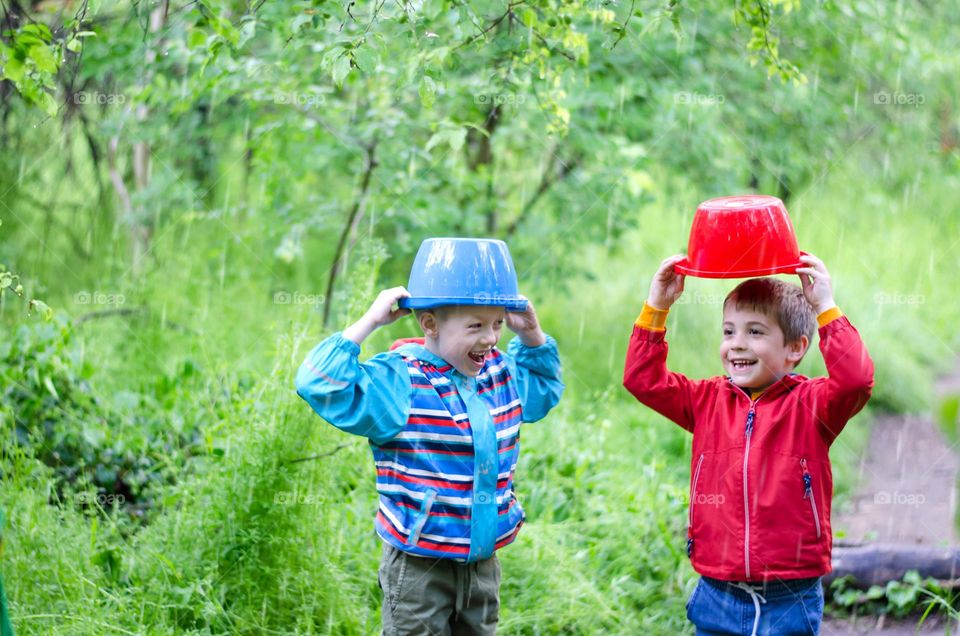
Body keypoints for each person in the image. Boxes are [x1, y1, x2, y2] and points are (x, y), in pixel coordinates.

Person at [623, 253, 874, 636]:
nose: (737, 345)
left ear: (795, 348)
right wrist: (657, 306)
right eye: (729, 331)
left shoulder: (812, 405)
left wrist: (825, 307)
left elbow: (856, 380)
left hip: (791, 596)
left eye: (755, 332)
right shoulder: (705, 400)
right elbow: (642, 379)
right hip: (716, 592)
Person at [296, 286, 563, 635]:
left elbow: (545, 388)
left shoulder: (500, 374)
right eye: (475, 326)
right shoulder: (400, 382)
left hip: (482, 565)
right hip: (419, 568)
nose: (490, 338)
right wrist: (370, 322)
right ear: (430, 324)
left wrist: (531, 334)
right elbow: (317, 383)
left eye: (497, 323)